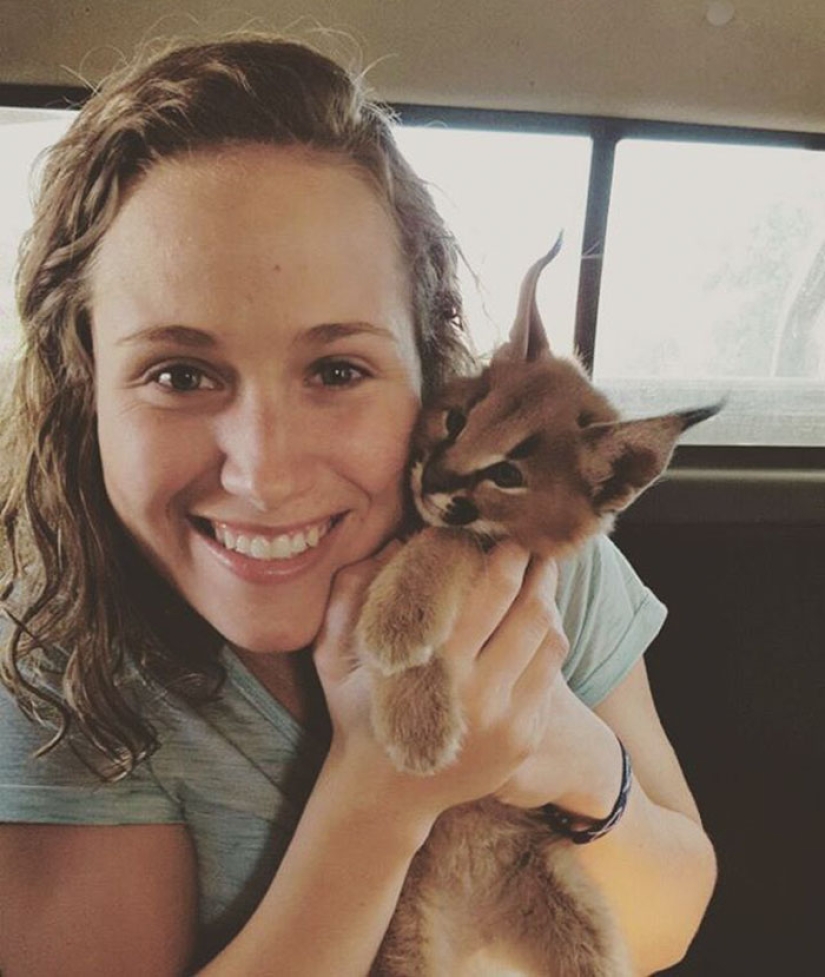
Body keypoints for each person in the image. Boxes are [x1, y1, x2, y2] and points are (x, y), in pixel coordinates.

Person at [0, 35, 716, 976]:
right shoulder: (61, 648)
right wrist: (379, 796)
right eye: (179, 373)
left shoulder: (537, 560)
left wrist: (566, 751)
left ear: (431, 371)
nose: (262, 470)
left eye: (337, 369)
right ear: (85, 392)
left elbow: (672, 910)